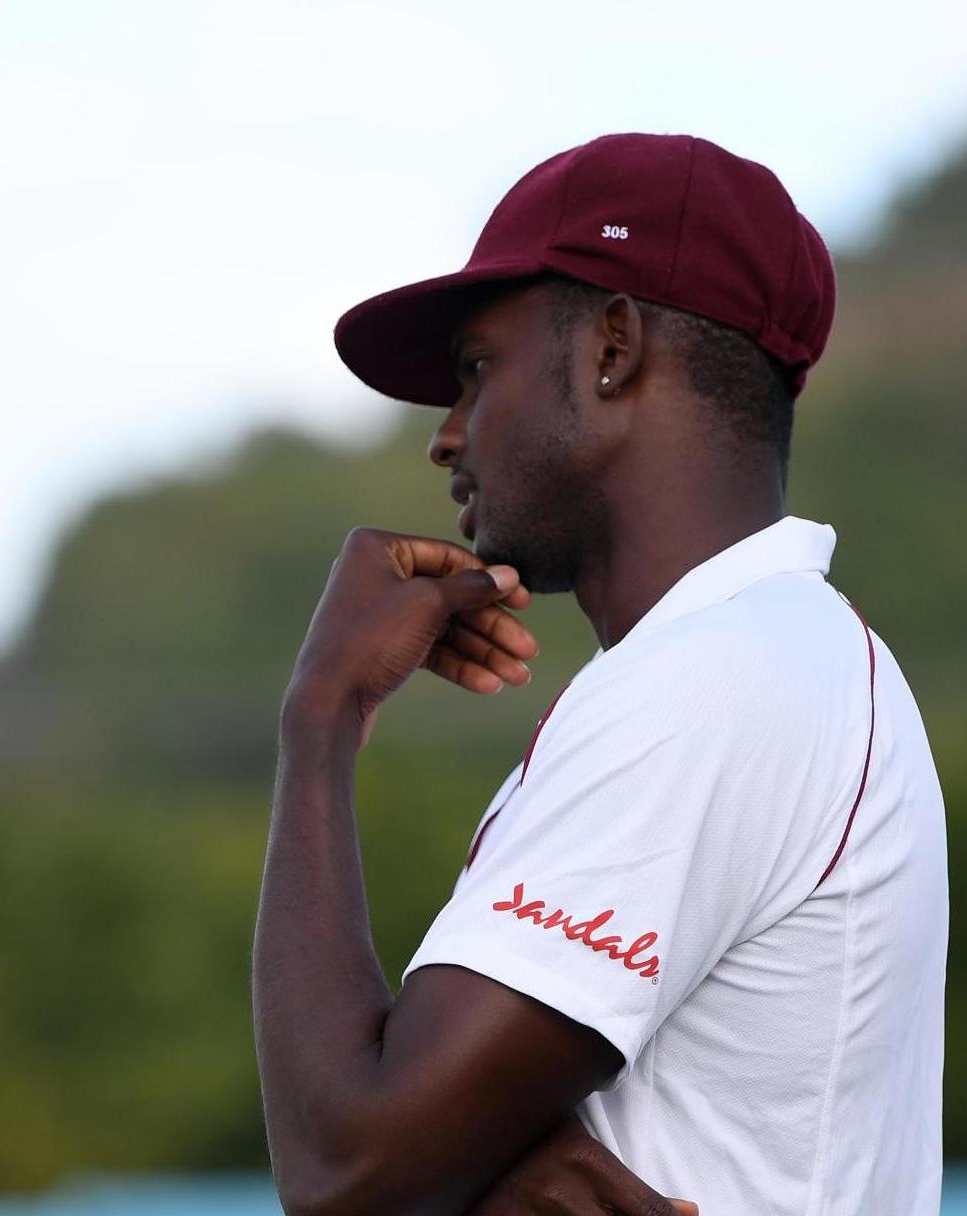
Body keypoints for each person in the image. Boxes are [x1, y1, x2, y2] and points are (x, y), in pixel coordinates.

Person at [252, 133, 946, 1215]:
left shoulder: (714, 683)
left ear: (612, 346)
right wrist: (482, 1163)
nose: (445, 436)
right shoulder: (780, 654)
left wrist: (321, 716)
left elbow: (349, 1173)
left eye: (476, 368)